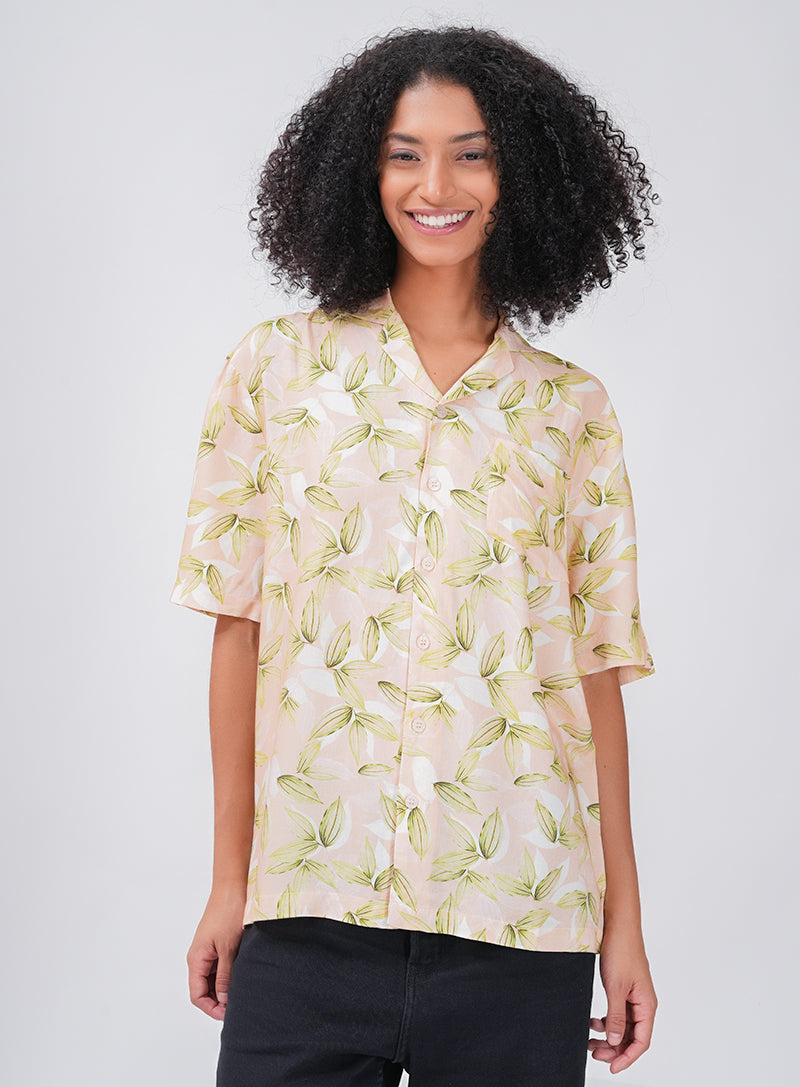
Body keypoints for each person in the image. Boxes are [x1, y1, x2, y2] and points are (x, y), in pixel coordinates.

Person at [169, 25, 660, 1087]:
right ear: (361, 170)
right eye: (404, 154)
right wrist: (229, 881)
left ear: (521, 175)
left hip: (522, 920)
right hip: (308, 911)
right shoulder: (275, 371)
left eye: (470, 154)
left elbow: (593, 676)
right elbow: (238, 633)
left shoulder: (569, 410)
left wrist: (623, 920)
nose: (436, 185)